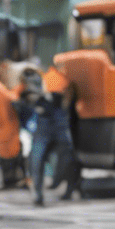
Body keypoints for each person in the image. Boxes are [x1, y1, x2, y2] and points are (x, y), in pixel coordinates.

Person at [19, 66, 80, 206]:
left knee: (67, 158)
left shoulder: (57, 79)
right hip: (44, 125)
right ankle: (39, 195)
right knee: (37, 159)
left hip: (58, 124)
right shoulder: (36, 85)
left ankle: (68, 188)